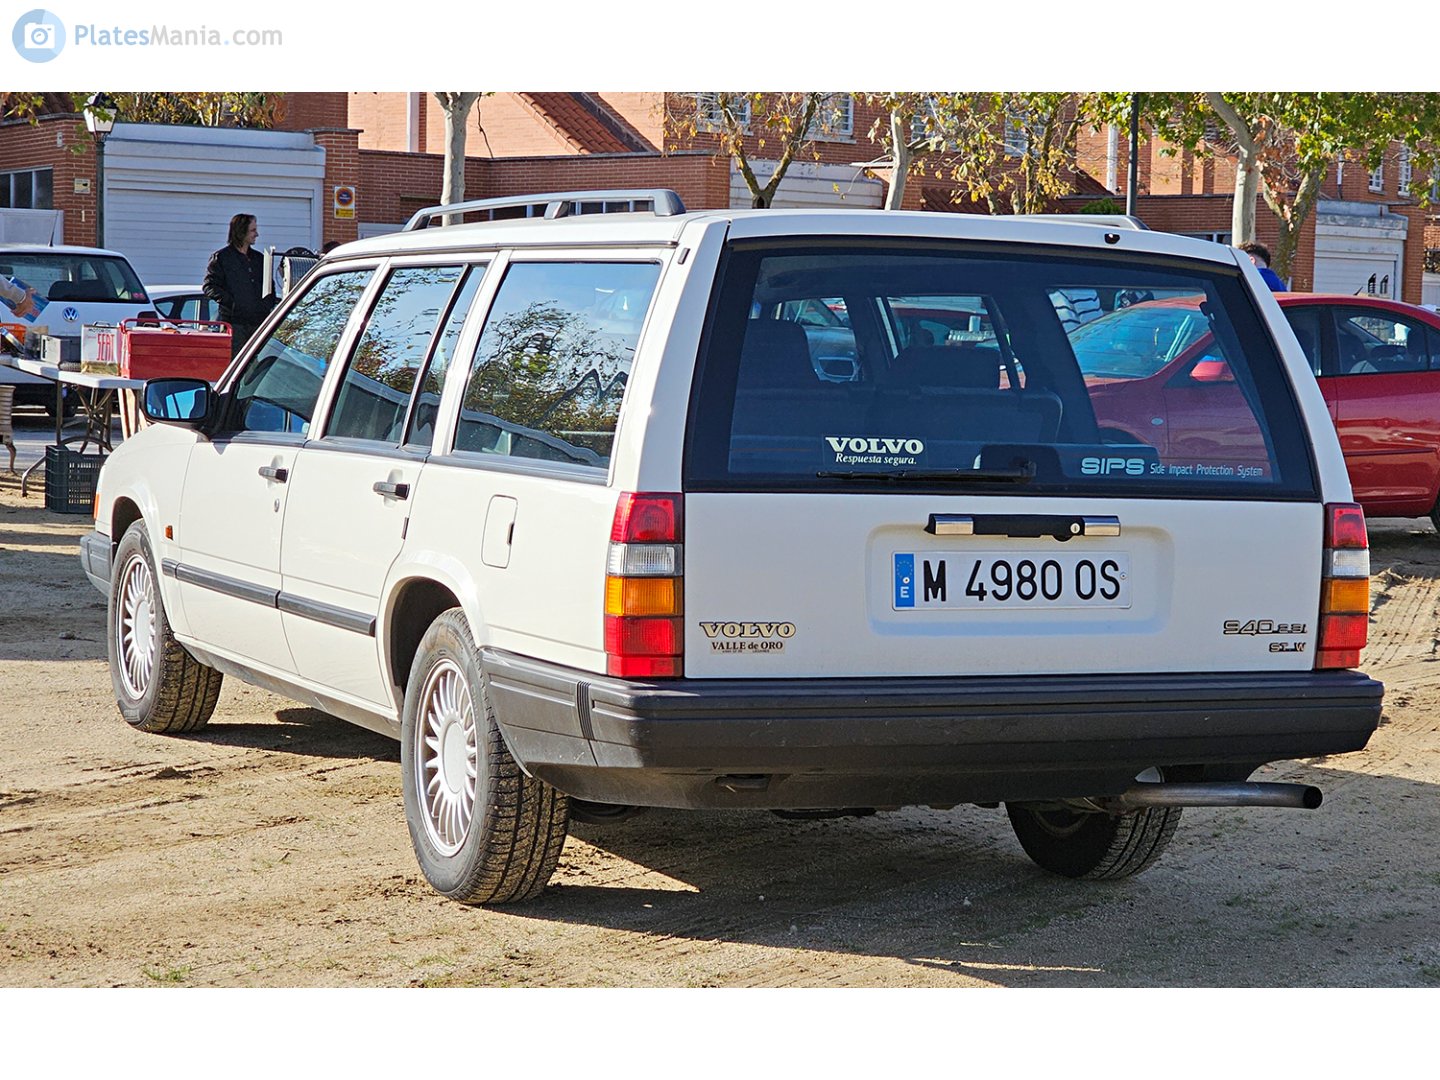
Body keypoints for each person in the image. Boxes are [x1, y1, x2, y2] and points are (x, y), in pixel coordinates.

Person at [203, 213, 278, 357]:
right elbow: (209, 286)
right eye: (253, 230)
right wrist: (232, 303)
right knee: (235, 363)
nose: (257, 234)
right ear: (241, 231)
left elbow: (270, 287)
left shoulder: (259, 259)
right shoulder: (222, 258)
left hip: (258, 323)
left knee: (254, 365)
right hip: (234, 324)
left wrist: (267, 305)